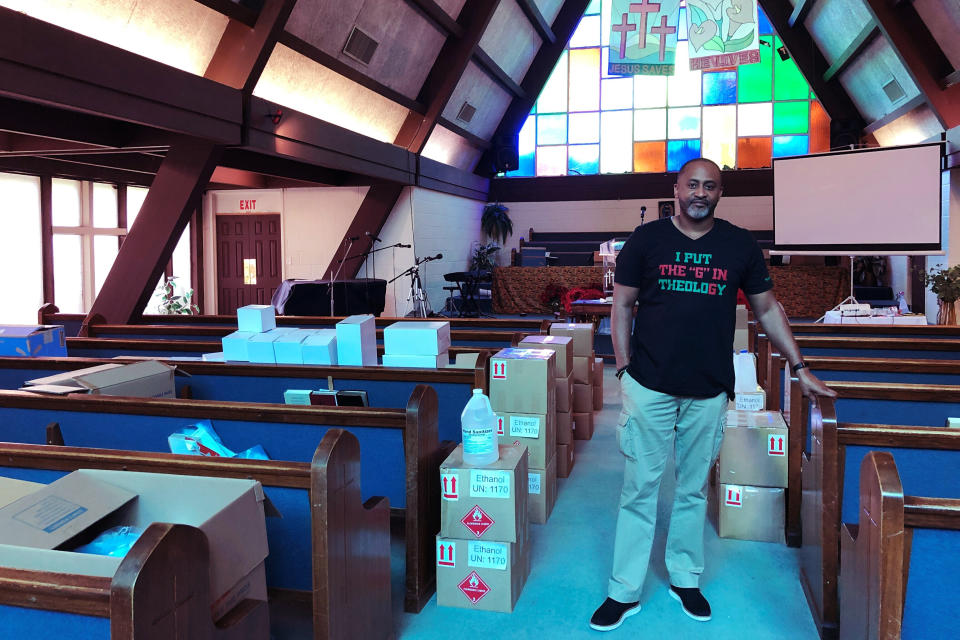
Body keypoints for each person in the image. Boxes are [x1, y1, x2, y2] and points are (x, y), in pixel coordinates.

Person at [589, 158, 836, 632]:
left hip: (707, 389)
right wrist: (623, 369)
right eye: (692, 185)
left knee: (691, 489)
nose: (700, 193)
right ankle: (624, 591)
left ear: (721, 193)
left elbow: (767, 308)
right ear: (676, 188)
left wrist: (799, 367)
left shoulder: (739, 244)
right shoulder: (647, 240)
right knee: (639, 488)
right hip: (650, 386)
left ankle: (685, 577)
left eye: (711, 186)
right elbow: (621, 304)